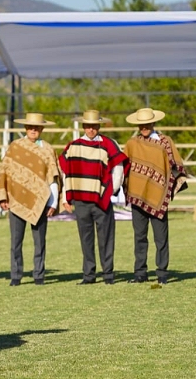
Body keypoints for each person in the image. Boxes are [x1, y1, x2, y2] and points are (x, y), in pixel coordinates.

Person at [58, 110, 129, 285]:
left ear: (99, 126)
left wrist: (111, 190)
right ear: (83, 126)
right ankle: (89, 275)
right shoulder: (73, 146)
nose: (91, 129)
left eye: (94, 126)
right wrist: (66, 197)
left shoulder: (108, 145)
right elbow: (66, 172)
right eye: (88, 126)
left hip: (101, 200)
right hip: (81, 200)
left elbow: (118, 168)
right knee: (86, 238)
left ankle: (108, 275)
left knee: (106, 237)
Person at [122, 107, 188, 285]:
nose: (144, 127)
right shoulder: (132, 144)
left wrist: (171, 183)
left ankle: (162, 273)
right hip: (137, 195)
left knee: (161, 237)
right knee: (140, 236)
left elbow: (176, 166)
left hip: (159, 197)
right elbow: (123, 167)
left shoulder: (166, 142)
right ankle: (140, 273)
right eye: (141, 124)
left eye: (147, 124)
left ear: (153, 122)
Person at [0, 113, 62, 286]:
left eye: (37, 127)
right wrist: (3, 197)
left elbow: (52, 177)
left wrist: (53, 203)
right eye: (30, 127)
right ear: (25, 128)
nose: (33, 130)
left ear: (42, 129)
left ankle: (39, 275)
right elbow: (4, 172)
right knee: (15, 242)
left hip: (41, 203)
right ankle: (16, 275)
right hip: (16, 201)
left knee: (40, 241)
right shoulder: (15, 147)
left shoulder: (48, 149)